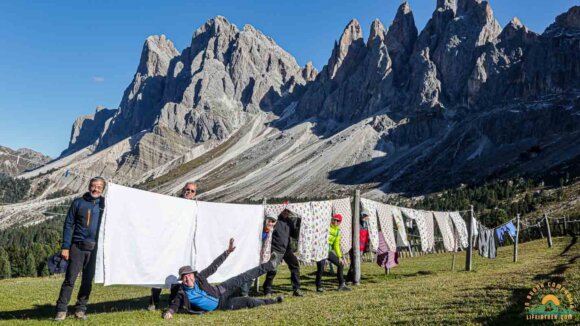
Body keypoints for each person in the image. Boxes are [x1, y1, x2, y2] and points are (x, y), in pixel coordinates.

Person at [162, 238, 282, 319]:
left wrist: (227, 252)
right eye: (185, 277)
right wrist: (169, 313)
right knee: (249, 301)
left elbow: (214, 266)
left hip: (222, 289)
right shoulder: (182, 292)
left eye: (189, 275)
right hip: (222, 304)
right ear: (182, 279)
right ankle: (274, 301)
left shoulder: (199, 277)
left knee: (244, 277)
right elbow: (174, 305)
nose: (188, 278)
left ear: (193, 274)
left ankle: (270, 265)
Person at [54, 177, 107, 321]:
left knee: (87, 280)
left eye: (99, 187)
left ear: (103, 189)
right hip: (77, 247)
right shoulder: (78, 202)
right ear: (89, 186)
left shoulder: (105, 204)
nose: (95, 189)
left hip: (95, 249)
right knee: (70, 279)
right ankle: (61, 309)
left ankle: (80, 309)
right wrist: (65, 247)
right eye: (93, 186)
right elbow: (68, 224)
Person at [149, 181, 198, 311]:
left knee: (178, 274)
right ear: (183, 190)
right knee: (161, 270)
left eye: (192, 191)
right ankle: (154, 300)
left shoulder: (196, 207)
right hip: (169, 243)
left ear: (195, 194)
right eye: (187, 189)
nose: (189, 192)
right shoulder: (173, 204)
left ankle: (173, 300)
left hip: (183, 246)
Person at [262, 207, 304, 297]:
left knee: (295, 266)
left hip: (286, 249)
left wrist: (298, 224)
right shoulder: (276, 220)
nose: (286, 212)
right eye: (284, 211)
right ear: (280, 210)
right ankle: (267, 290)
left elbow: (294, 235)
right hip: (276, 248)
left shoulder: (289, 221)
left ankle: (296, 289)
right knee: (272, 269)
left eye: (288, 211)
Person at [240, 213, 277, 297]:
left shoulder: (269, 231)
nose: (270, 223)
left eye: (272, 221)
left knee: (253, 273)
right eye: (268, 220)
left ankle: (245, 292)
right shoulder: (259, 229)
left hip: (258, 254)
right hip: (251, 253)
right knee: (249, 271)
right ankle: (244, 293)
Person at [315, 213, 351, 292]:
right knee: (320, 269)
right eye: (334, 220)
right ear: (332, 219)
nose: (336, 222)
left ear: (340, 222)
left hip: (328, 251)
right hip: (320, 250)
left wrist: (339, 257)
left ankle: (342, 285)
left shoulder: (337, 231)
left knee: (340, 264)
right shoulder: (326, 227)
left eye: (338, 221)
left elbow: (336, 245)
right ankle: (318, 287)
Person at [346, 208, 371, 284]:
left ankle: (352, 277)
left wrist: (367, 246)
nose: (364, 216)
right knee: (354, 263)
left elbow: (366, 237)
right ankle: (350, 279)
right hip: (354, 247)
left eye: (366, 215)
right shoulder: (356, 224)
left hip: (362, 247)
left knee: (357, 263)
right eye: (363, 215)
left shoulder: (367, 225)